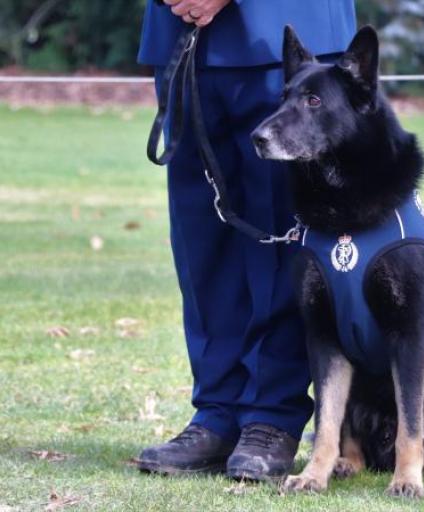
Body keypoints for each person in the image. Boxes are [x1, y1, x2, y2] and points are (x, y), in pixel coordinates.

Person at [136, 0, 356, 481]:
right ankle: (217, 411)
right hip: (181, 33)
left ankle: (272, 415)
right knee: (202, 236)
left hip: (285, 28)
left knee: (281, 233)